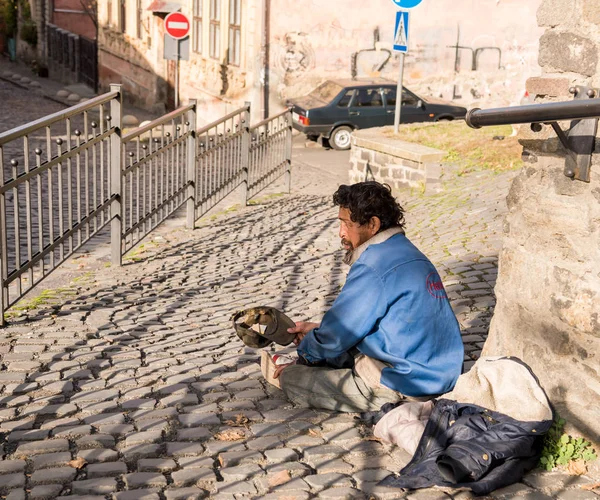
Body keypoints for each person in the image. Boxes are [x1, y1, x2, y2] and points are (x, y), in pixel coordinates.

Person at [272, 181, 464, 412]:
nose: (341, 233)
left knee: (292, 378)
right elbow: (357, 321)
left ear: (373, 224)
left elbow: (338, 333)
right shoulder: (406, 251)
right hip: (439, 371)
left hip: (409, 383)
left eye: (347, 224)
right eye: (340, 223)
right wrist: (316, 331)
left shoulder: (374, 265)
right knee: (334, 351)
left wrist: (306, 354)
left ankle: (377, 392)